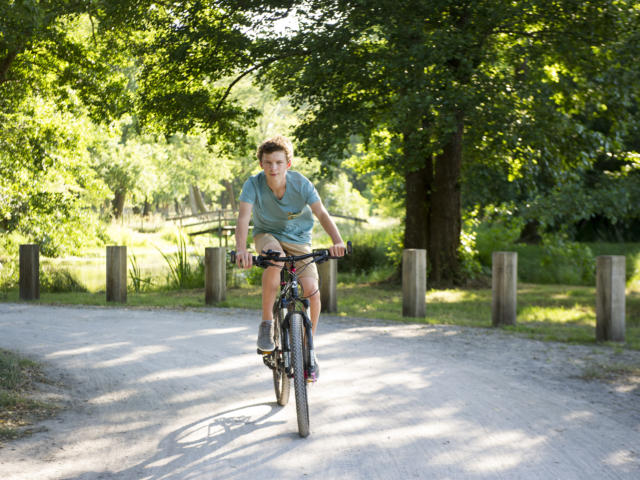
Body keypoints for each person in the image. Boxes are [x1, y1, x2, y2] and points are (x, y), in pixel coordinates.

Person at [234, 135, 346, 360]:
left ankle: (308, 348)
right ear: (261, 164)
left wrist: (338, 241)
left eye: (278, 162)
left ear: (288, 164)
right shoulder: (253, 184)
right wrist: (241, 249)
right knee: (275, 259)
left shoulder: (301, 184)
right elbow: (244, 218)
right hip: (268, 236)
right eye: (268, 162)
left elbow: (321, 213)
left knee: (312, 294)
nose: (273, 167)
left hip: (299, 240)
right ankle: (266, 324)